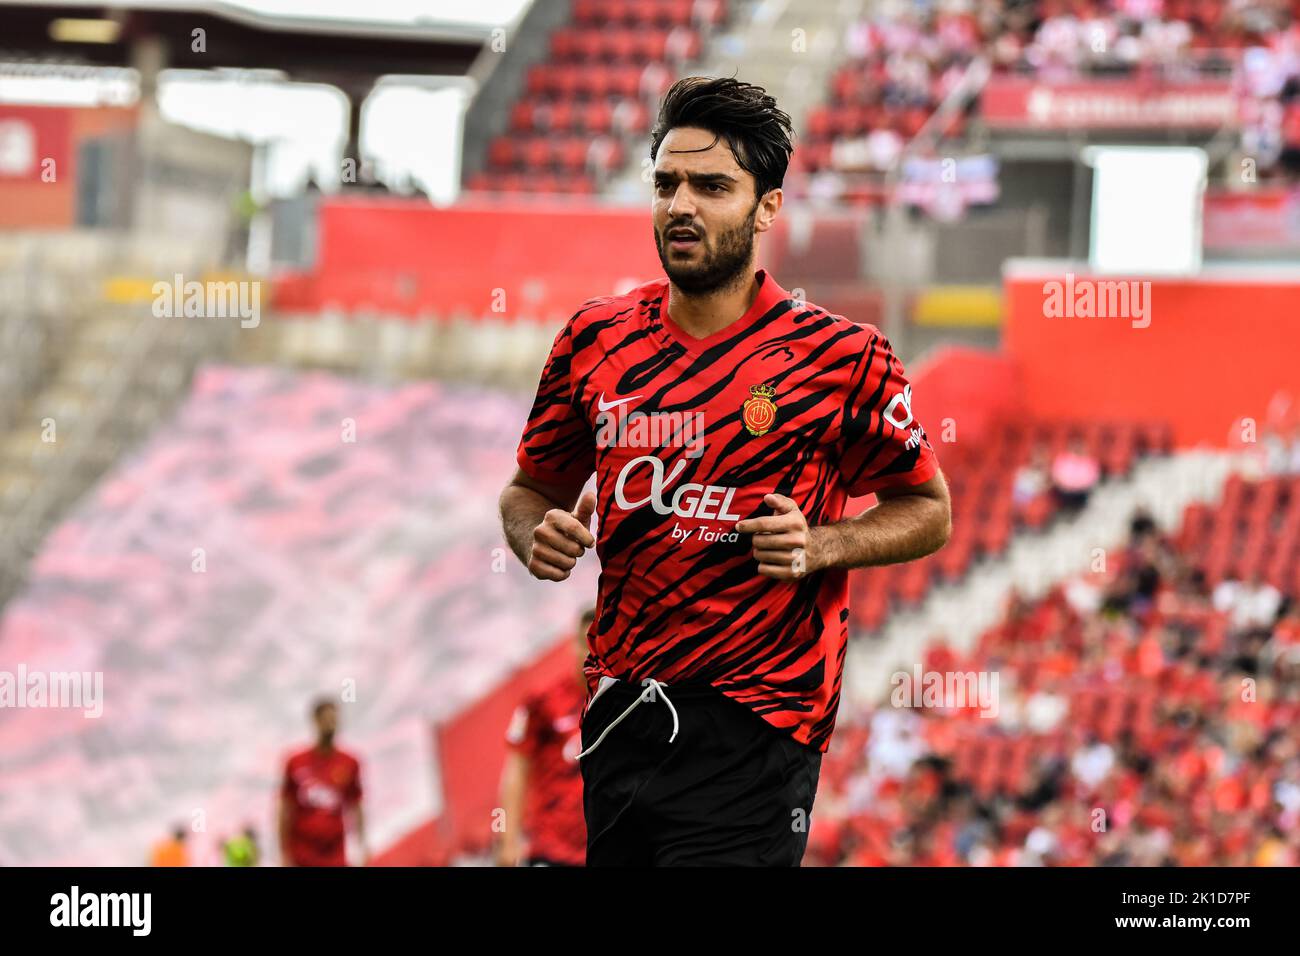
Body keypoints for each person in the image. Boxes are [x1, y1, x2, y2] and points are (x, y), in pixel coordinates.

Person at [499, 76, 951, 866]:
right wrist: (535, 533)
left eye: (711, 186)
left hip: (760, 723)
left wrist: (825, 544)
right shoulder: (593, 340)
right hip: (619, 717)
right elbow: (529, 491)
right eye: (667, 184)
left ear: (766, 207)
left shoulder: (842, 358)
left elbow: (928, 510)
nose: (682, 205)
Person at [496, 607, 592, 867]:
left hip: (608, 847)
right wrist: (509, 841)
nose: (590, 653)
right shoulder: (544, 701)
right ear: (572, 646)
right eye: (584, 643)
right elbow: (517, 768)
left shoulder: (623, 702)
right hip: (553, 850)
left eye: (598, 644)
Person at [279, 698, 368, 866]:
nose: (330, 724)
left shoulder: (349, 762)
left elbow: (356, 805)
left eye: (333, 719)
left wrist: (361, 844)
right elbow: (284, 808)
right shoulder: (295, 762)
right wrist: (283, 852)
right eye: (326, 719)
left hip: (334, 851)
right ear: (315, 721)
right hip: (302, 851)